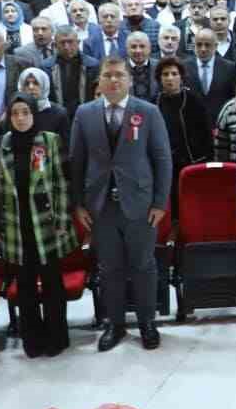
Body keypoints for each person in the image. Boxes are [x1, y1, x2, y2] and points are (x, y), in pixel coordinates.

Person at [69, 56, 172, 353]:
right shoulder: (85, 113)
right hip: (100, 206)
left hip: (140, 204)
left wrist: (160, 202)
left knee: (143, 265)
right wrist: (78, 204)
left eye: (119, 76)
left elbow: (162, 159)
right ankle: (114, 324)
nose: (113, 81)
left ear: (129, 80)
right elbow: (76, 162)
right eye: (107, 76)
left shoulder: (148, 112)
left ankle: (146, 322)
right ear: (99, 81)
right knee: (109, 268)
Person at [0, 94, 78, 358]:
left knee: (52, 284)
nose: (20, 118)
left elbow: (62, 183)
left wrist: (62, 219)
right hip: (16, 227)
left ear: (33, 114)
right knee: (24, 287)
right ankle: (32, 341)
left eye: (25, 112)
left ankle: (56, 338)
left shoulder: (50, 141)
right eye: (15, 113)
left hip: (47, 226)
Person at [154, 57, 213, 218]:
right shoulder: (154, 103)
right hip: (164, 163)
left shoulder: (194, 101)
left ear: (181, 77)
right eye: (165, 74)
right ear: (160, 78)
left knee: (192, 205)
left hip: (192, 162)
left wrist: (204, 159)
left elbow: (206, 135)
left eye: (174, 73)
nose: (170, 78)